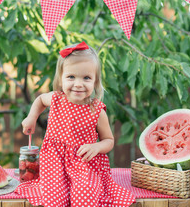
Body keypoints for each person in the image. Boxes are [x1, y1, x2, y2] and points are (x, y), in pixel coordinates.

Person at [15, 41, 135, 207]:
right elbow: (40, 100)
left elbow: (109, 140)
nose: (78, 84)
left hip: (84, 165)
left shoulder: (97, 111)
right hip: (55, 163)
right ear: (61, 78)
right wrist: (31, 117)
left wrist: (97, 147)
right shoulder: (56, 99)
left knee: (84, 200)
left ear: (95, 81)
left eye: (86, 78)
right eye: (71, 77)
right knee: (54, 201)